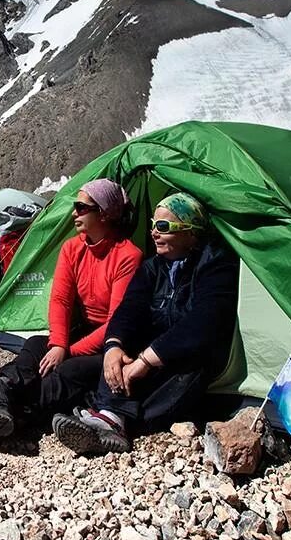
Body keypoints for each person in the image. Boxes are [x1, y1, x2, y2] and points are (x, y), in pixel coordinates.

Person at [0, 179, 143, 447]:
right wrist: (58, 342)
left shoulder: (127, 255)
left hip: (113, 341)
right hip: (82, 330)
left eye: (81, 208)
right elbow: (60, 299)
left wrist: (68, 350)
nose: (74, 213)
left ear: (103, 213)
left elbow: (117, 322)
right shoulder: (73, 248)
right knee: (36, 344)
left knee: (67, 370)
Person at [52, 192, 239, 455]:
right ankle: (108, 418)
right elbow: (129, 309)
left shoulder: (216, 264)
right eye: (153, 225)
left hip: (190, 357)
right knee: (118, 356)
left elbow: (203, 323)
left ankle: (115, 419)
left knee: (188, 365)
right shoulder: (153, 267)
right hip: (152, 349)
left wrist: (146, 360)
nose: (154, 233)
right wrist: (114, 346)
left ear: (191, 232)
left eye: (163, 227)